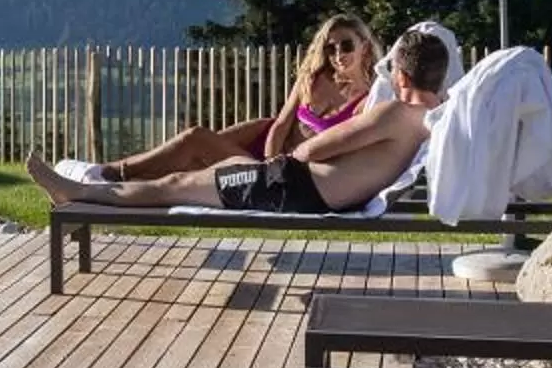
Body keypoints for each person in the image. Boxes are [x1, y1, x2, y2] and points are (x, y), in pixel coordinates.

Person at [31, 29, 450, 216]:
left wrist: (296, 154)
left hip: (294, 186)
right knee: (193, 174)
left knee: (175, 186)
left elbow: (316, 149)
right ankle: (92, 187)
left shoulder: (397, 112)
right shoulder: (430, 118)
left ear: (399, 75)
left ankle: (79, 193)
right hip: (301, 187)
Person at [90, 13, 381, 181]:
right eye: (331, 48)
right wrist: (270, 162)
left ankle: (112, 175)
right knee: (190, 156)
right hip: (266, 148)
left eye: (346, 45)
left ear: (365, 47)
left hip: (290, 172)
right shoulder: (313, 78)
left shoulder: (366, 101)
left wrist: (279, 172)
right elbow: (280, 125)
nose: (338, 55)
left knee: (195, 141)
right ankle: (113, 178)